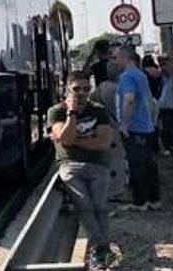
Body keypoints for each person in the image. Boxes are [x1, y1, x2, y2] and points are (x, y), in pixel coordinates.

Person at [48, 71, 115, 269]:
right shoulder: (57, 111)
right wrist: (72, 114)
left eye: (87, 88)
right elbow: (66, 139)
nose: (82, 93)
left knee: (100, 207)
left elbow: (103, 143)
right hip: (70, 166)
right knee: (85, 206)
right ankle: (101, 247)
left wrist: (75, 141)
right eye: (77, 89)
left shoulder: (98, 110)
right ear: (67, 88)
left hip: (98, 165)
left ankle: (101, 249)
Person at [115, 46, 161, 211]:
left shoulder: (126, 77)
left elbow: (129, 99)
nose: (116, 62)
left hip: (135, 127)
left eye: (117, 58)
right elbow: (150, 101)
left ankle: (139, 202)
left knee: (136, 164)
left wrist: (124, 124)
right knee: (149, 163)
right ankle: (154, 199)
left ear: (126, 59)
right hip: (147, 125)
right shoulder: (141, 75)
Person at [89, 60, 129, 202]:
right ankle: (120, 189)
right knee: (120, 159)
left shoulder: (100, 88)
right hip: (120, 127)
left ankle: (110, 189)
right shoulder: (121, 88)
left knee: (108, 161)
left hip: (105, 127)